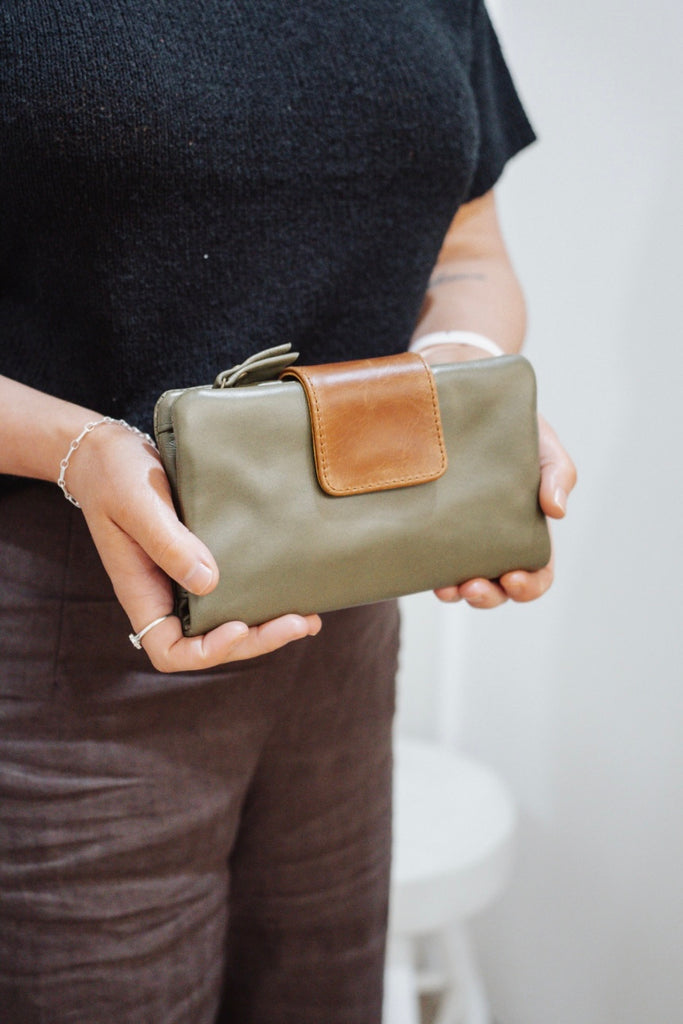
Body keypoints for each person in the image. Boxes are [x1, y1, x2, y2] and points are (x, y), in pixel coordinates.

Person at [0, 2, 576, 1022]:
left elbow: (468, 251)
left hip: (340, 622)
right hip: (57, 645)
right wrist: (79, 450)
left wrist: (462, 404)